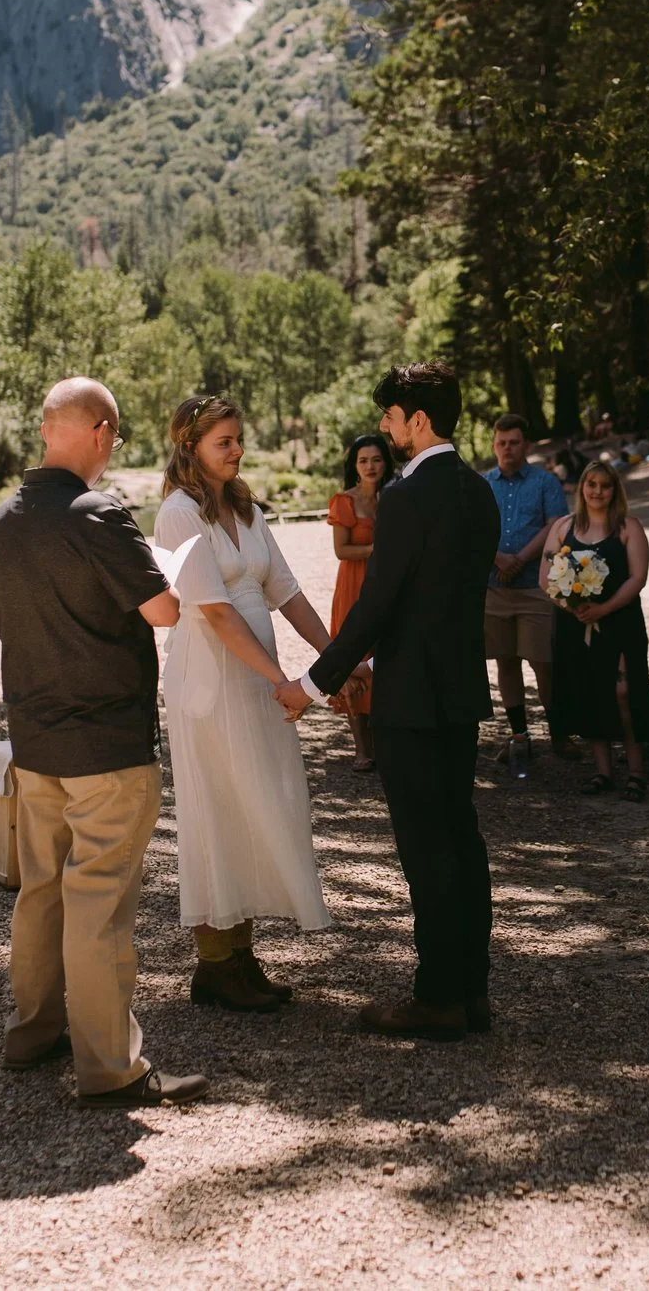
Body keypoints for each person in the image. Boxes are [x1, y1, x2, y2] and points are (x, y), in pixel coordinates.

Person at [0, 377, 203, 1106]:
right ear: (101, 432)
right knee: (100, 900)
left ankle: (34, 1032)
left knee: (41, 891)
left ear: (48, 430)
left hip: (36, 740)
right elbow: (164, 608)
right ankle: (109, 1067)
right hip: (107, 741)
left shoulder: (2, 523)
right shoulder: (98, 514)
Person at [278, 363, 502, 1040]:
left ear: (418, 419)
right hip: (460, 688)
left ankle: (437, 997)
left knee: (425, 848)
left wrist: (313, 684)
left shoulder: (407, 497)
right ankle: (472, 991)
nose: (383, 425)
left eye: (391, 415)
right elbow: (439, 599)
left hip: (409, 699)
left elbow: (378, 602)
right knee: (461, 838)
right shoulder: (478, 492)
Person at [154, 393, 338, 1013]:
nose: (236, 450)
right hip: (210, 682)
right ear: (190, 447)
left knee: (261, 802)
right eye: (223, 442)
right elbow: (212, 610)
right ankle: (214, 966)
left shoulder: (248, 509)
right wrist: (285, 678)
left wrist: (339, 660)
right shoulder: (179, 514)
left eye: (238, 439)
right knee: (216, 809)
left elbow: (286, 592)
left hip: (258, 680)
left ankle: (243, 956)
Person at [536, 459, 649, 800]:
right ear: (582, 488)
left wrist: (604, 607)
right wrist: (570, 606)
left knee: (622, 694)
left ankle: (636, 771)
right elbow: (545, 578)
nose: (598, 491)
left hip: (620, 621)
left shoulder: (628, 527)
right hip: (575, 622)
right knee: (588, 690)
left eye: (605, 485)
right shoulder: (563, 527)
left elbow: (638, 577)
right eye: (592, 485)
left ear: (614, 489)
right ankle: (602, 770)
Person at [483, 412, 570, 775]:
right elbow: (471, 528)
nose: (507, 449)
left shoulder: (545, 483)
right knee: (505, 661)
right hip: (494, 586)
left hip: (536, 585)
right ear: (494, 444)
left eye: (514, 442)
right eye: (501, 442)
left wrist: (520, 557)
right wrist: (498, 557)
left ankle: (560, 734)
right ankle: (519, 734)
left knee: (544, 663)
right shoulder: (483, 483)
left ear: (527, 445)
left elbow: (557, 525)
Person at [327, 433, 395, 773]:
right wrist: (377, 550)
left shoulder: (397, 497)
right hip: (354, 586)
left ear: (386, 463)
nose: (371, 466)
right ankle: (361, 747)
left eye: (377, 459)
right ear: (354, 466)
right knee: (354, 657)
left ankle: (385, 739)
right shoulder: (344, 500)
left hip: (389, 586)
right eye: (363, 460)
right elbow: (341, 550)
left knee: (387, 655)